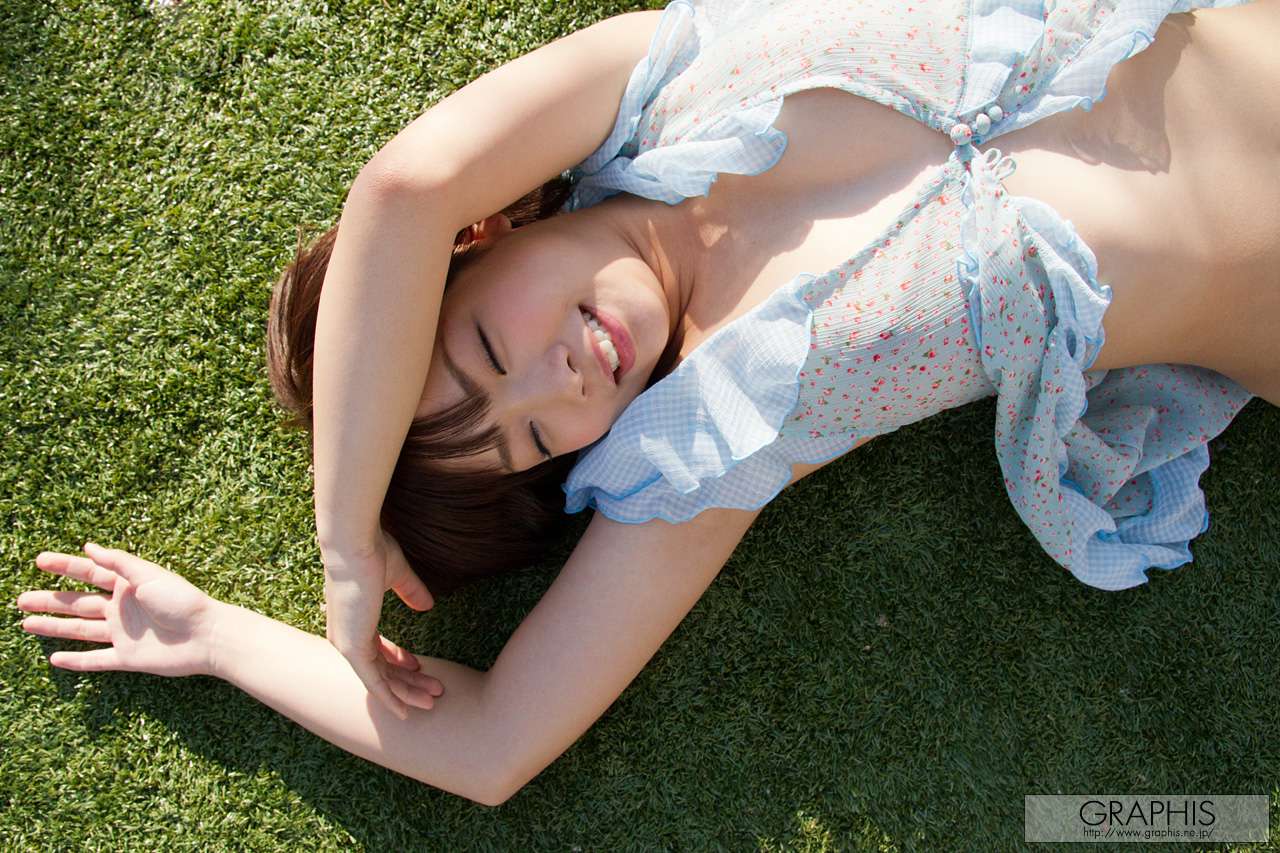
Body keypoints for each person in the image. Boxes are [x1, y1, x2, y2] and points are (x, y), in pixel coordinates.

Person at [17, 0, 1277, 806]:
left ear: (478, 238)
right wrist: (220, 636)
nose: (556, 381)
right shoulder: (718, 429)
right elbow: (491, 745)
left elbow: (400, 189)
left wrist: (343, 539)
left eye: (481, 350)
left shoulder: (652, 86)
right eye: (529, 437)